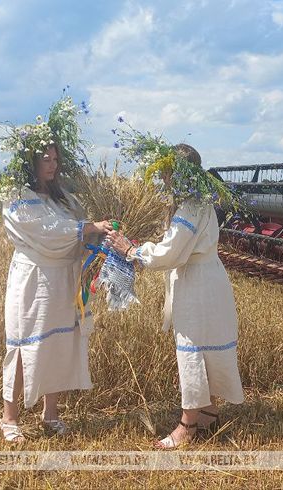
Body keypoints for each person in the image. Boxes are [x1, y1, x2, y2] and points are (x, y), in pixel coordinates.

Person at [0, 97, 113, 444]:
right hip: (34, 281)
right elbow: (49, 230)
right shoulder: (17, 196)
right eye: (46, 158)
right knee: (26, 347)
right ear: (30, 161)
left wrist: (105, 243)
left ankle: (50, 413)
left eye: (56, 158)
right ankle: (9, 418)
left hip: (63, 279)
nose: (53, 165)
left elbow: (78, 230)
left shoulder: (65, 198)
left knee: (57, 344)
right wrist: (90, 227)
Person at [107, 143, 244, 449]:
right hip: (207, 280)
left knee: (192, 348)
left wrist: (131, 250)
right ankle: (208, 412)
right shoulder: (198, 203)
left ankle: (187, 426)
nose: (165, 180)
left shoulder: (190, 208)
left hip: (197, 284)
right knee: (206, 345)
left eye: (168, 173)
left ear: (181, 175)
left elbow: (170, 252)